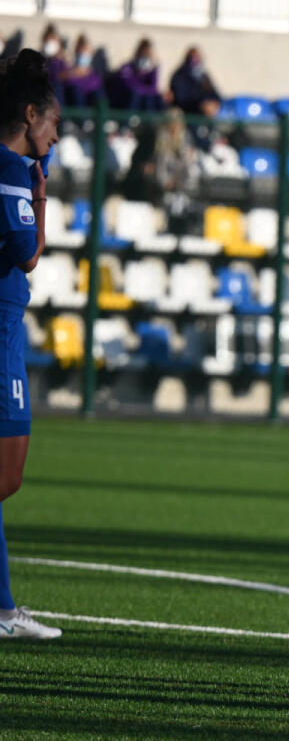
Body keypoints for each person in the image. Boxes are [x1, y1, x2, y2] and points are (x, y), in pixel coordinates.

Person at [0, 49, 62, 640]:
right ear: (29, 114)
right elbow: (28, 254)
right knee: (6, 477)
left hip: (6, 334)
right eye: (53, 124)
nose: (55, 135)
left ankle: (1, 610)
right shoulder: (12, 171)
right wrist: (40, 196)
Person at [109, 38, 164, 112]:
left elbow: (154, 88)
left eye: (148, 55)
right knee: (136, 95)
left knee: (154, 98)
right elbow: (131, 86)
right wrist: (138, 73)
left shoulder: (151, 70)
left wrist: (154, 69)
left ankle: (150, 120)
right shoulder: (127, 67)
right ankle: (130, 120)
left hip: (144, 101)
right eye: (144, 54)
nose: (146, 58)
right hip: (124, 101)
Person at [169, 47, 222, 117]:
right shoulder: (181, 74)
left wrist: (214, 102)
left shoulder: (203, 75)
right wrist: (201, 103)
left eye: (198, 57)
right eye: (193, 57)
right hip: (190, 110)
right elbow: (181, 96)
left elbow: (214, 93)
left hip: (207, 109)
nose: (196, 60)